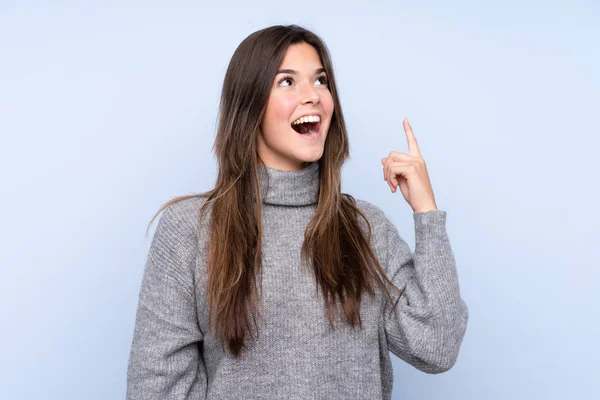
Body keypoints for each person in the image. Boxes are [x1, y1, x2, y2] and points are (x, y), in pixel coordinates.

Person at [126, 24, 469, 399]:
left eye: (320, 81)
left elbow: (437, 346)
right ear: (250, 103)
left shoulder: (365, 229)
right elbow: (156, 389)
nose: (313, 97)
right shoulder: (191, 229)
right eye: (286, 82)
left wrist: (427, 213)